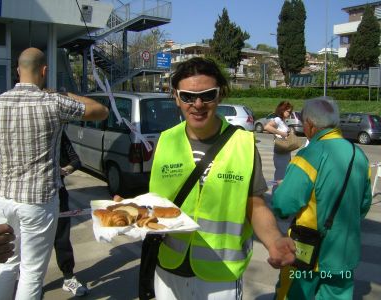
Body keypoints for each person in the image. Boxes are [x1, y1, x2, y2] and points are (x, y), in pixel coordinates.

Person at [149, 57, 296, 300]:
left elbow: (255, 204)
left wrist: (274, 240)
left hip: (221, 274)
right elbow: (156, 202)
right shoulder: (164, 141)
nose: (197, 104)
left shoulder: (244, 144)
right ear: (176, 97)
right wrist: (128, 210)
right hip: (169, 268)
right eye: (187, 96)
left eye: (207, 95)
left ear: (220, 95)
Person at [0, 47, 108, 300]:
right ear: (44, 71)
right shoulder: (54, 102)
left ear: (17, 71)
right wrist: (63, 93)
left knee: (7, 262)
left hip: (5, 198)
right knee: (31, 272)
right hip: (39, 201)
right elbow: (100, 110)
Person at [272, 97, 372, 300]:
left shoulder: (308, 155)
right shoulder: (359, 156)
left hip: (307, 253)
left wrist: (285, 187)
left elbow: (283, 205)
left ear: (309, 124)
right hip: (344, 254)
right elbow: (363, 206)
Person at [53, 132, 88, 296]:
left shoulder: (58, 131)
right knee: (28, 244)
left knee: (61, 238)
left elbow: (76, 161)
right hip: (27, 200)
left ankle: (68, 277)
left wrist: (64, 170)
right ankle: (28, 283)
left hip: (57, 194)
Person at [264, 101, 294, 189]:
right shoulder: (277, 119)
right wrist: (282, 133)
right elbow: (267, 127)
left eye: (290, 112)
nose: (290, 113)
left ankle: (278, 197)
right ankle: (275, 198)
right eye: (288, 111)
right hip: (280, 152)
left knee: (282, 177)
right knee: (280, 178)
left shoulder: (283, 121)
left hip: (285, 152)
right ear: (282, 110)